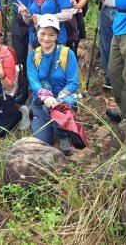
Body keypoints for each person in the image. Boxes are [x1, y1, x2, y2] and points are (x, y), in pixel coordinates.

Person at [27, 14, 80, 156]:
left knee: (59, 104)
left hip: (63, 100)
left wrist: (60, 97)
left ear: (57, 36)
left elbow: (74, 82)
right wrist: (45, 97)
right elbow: (34, 83)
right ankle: (60, 125)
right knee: (43, 141)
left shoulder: (67, 54)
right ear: (37, 33)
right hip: (41, 100)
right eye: (42, 33)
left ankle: (63, 136)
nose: (46, 38)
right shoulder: (33, 56)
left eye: (51, 34)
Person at [1, 0, 35, 103]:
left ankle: (36, 89)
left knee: (36, 54)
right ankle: (22, 91)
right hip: (17, 18)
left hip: (36, 18)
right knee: (19, 56)